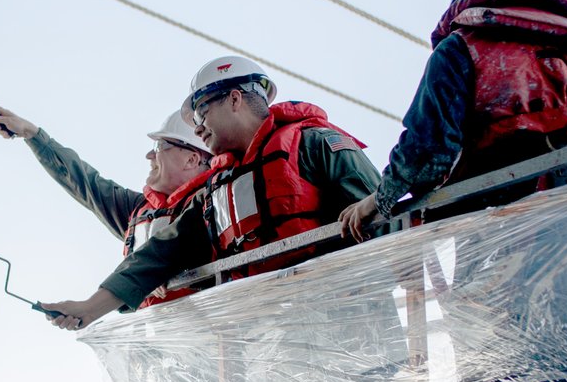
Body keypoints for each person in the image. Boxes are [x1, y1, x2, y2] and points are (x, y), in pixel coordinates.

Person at [42, 55, 380, 330]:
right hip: (271, 347)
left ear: (234, 99)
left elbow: (385, 215)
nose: (199, 127)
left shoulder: (313, 144)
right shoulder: (216, 193)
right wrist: (90, 308)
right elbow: (160, 253)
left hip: (350, 330)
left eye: (202, 111)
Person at [339, 0, 567, 240]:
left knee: (488, 290)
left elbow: (428, 153)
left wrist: (377, 200)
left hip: (501, 223)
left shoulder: (461, 46)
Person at [0, 105, 212, 307]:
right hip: (151, 346)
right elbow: (84, 182)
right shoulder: (138, 210)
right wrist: (32, 134)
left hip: (209, 344)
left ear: (191, 159)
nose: (149, 155)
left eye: (160, 145)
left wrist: (160, 274)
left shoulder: (216, 205)